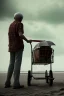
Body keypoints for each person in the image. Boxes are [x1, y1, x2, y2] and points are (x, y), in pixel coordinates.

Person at [5, 12, 31, 89]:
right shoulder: (19, 24)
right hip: (18, 46)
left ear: (14, 18)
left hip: (11, 46)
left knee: (11, 63)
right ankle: (16, 83)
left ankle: (7, 82)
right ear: (21, 19)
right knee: (17, 64)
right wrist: (27, 40)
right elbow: (20, 34)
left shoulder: (11, 25)